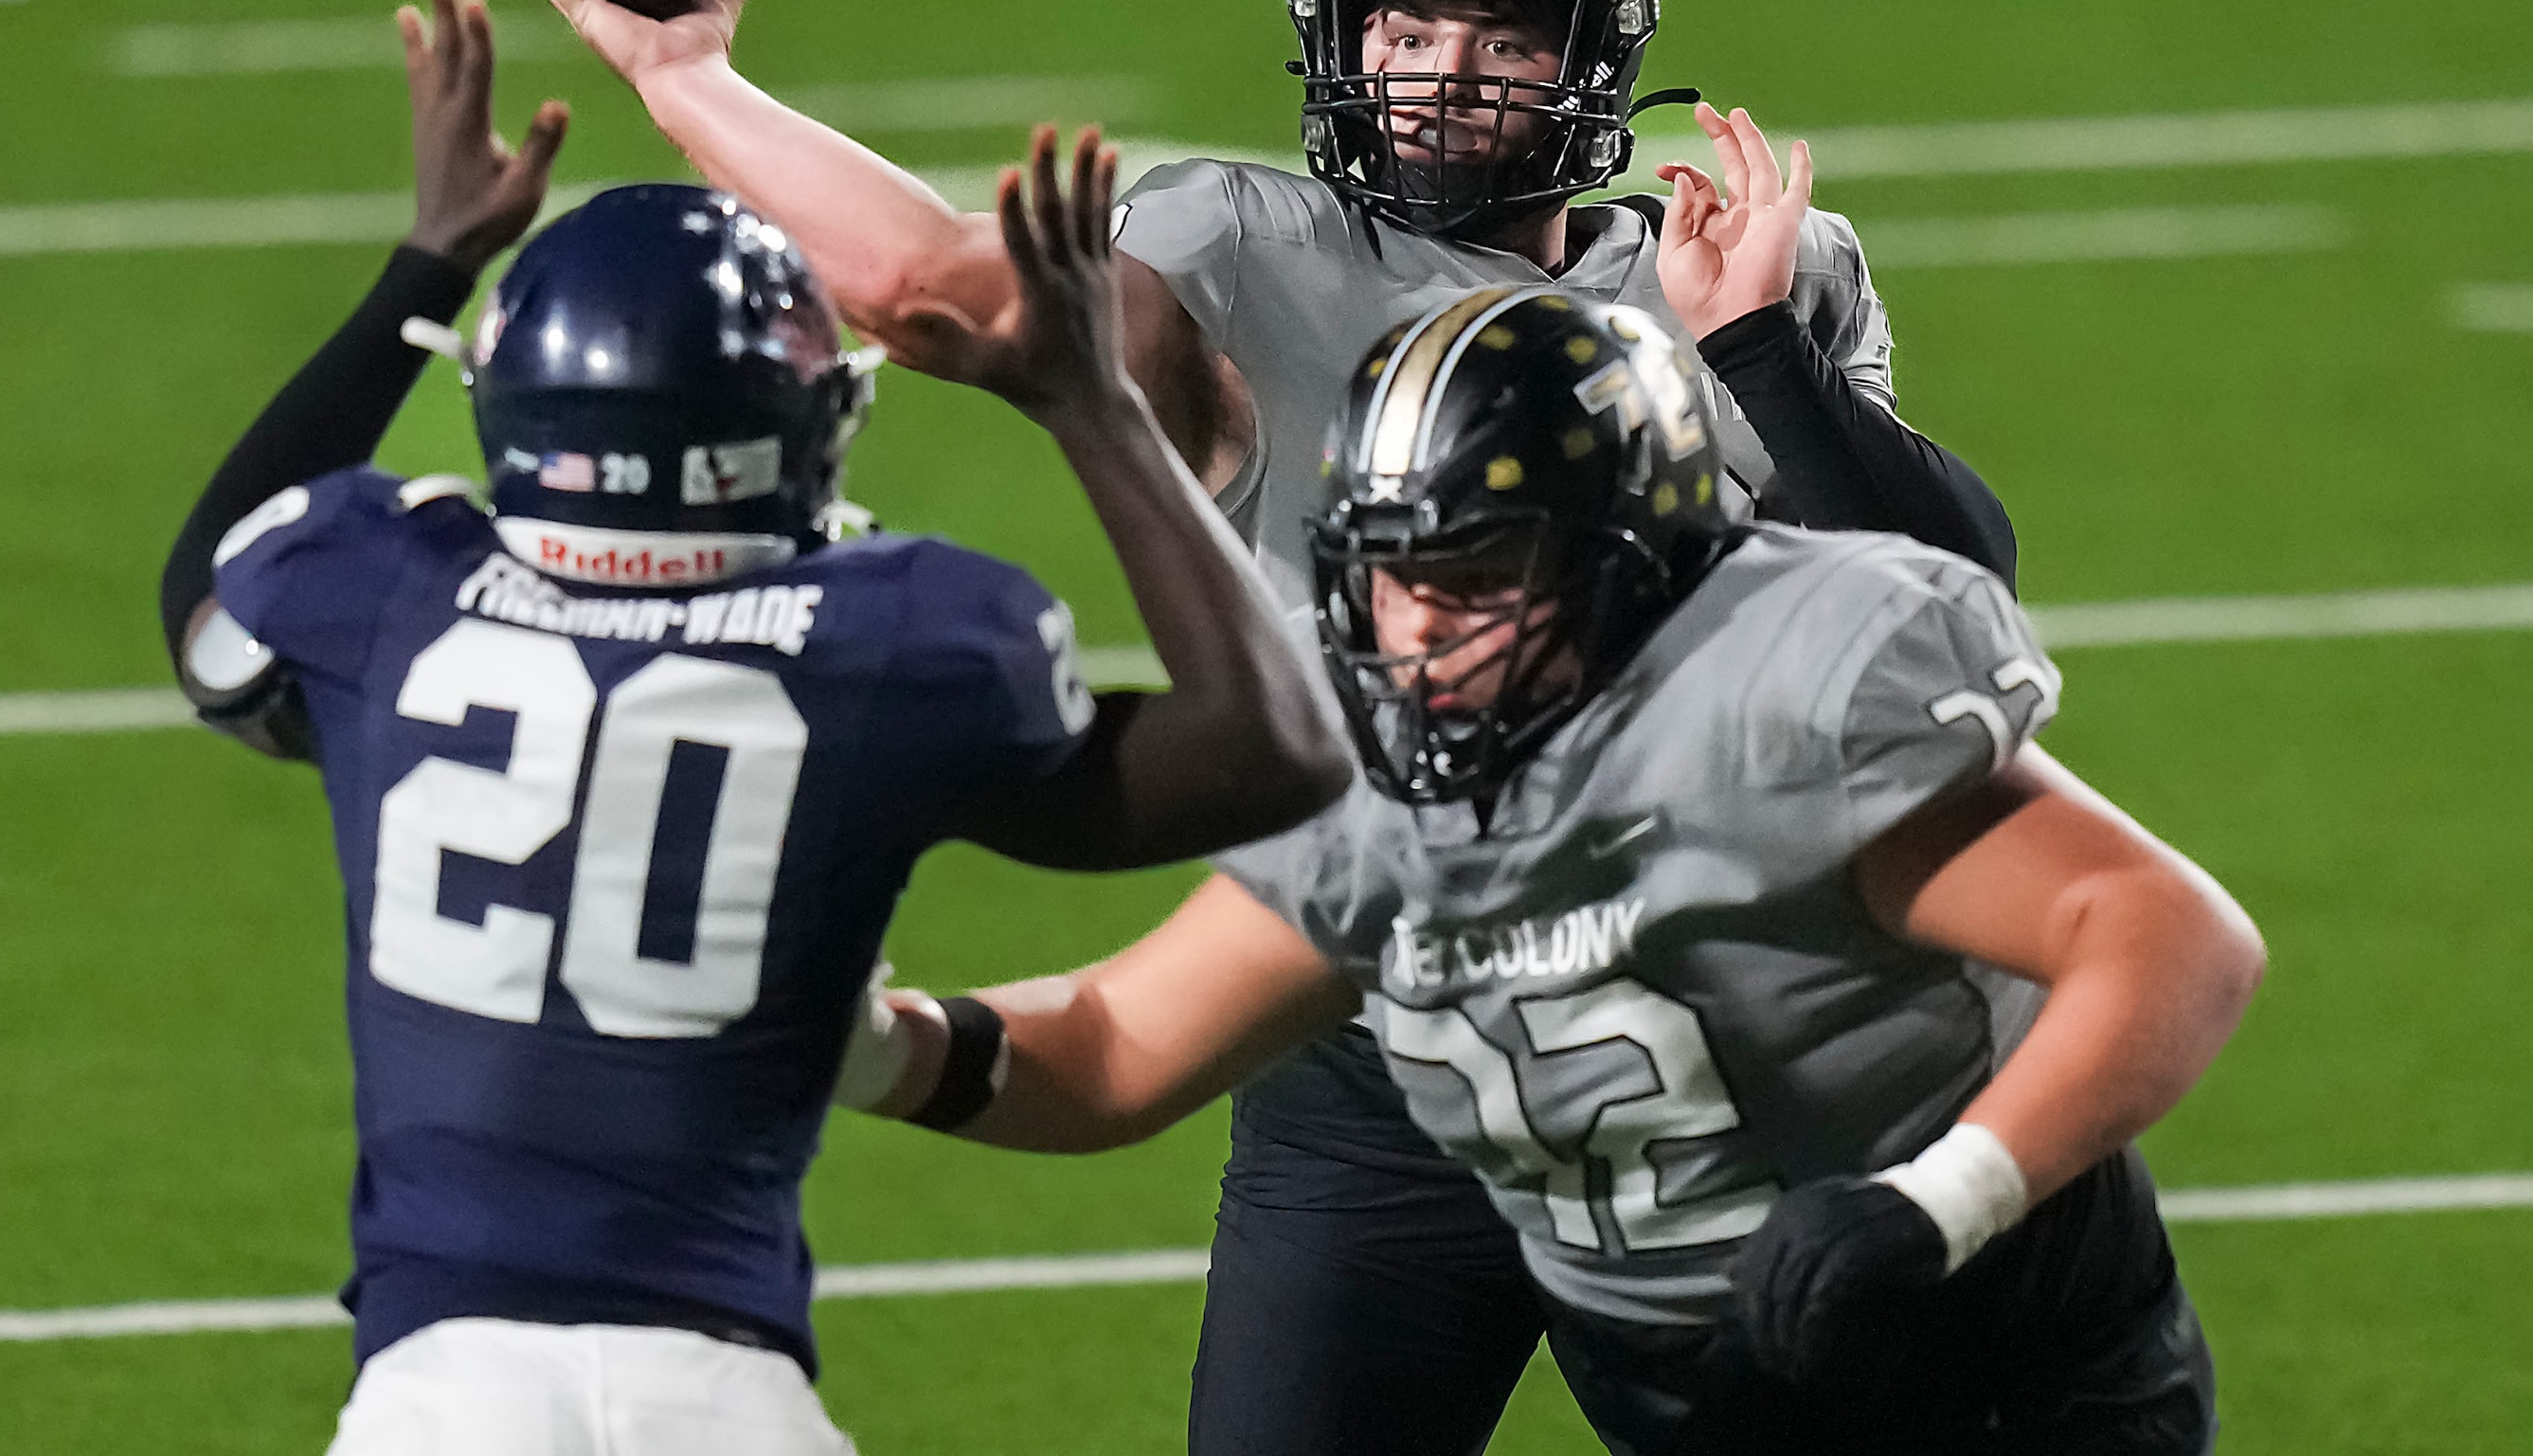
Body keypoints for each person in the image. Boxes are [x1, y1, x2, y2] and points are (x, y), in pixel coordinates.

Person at [523, 0, 2022, 1453]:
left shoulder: (1748, 274)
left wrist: (1752, 351)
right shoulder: (1240, 259)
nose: (1444, 71)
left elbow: (1945, 601)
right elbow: (945, 290)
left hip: (1722, 1061)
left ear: (1592, 58)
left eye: (1503, 31)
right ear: (1338, 35)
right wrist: (690, 83)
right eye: (1405, 26)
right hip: (1373, 1044)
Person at [156, 0, 1347, 1454]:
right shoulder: (893, 639)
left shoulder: (380, 588)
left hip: (433, 1399)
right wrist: (1086, 401)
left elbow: (205, 601)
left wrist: (431, 257)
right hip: (726, 1400)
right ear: (800, 428)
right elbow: (1275, 751)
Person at [853, 288, 2265, 1455]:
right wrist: (858, 1043)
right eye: (1386, 574)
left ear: (1622, 561)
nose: (1414, 629)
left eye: (1472, 575)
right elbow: (1112, 1045)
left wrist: (1937, 1197)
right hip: (1698, 1379)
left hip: (1989, 1353)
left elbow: (2168, 933)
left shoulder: (1765, 697)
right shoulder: (1370, 761)